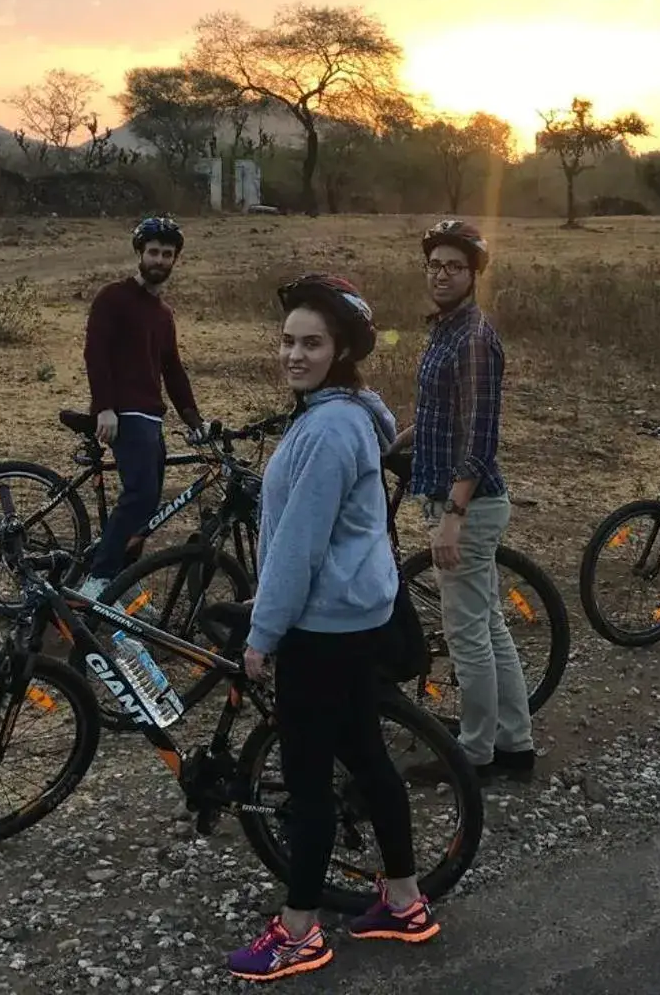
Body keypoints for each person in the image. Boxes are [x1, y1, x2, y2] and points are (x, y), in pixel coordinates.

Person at [230, 273, 438, 981]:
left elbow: (298, 544)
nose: (294, 354)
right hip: (358, 615)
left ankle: (298, 933)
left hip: (322, 628)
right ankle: (406, 902)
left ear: (341, 348)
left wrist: (263, 633)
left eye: (311, 343)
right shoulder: (349, 412)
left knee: (309, 781)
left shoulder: (326, 429)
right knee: (369, 758)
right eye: (287, 340)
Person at [398, 218, 534, 782]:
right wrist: (394, 442)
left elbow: (479, 437)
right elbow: (439, 412)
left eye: (455, 266)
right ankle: (514, 742)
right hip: (461, 501)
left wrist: (452, 516)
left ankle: (475, 754)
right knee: (489, 625)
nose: (442, 274)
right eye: (435, 265)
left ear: (474, 274)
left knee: (467, 633)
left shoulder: (474, 337)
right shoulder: (447, 330)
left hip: (468, 507)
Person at [78, 215, 206, 600]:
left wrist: (194, 419)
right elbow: (95, 353)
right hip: (125, 413)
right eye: (153, 252)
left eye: (167, 255)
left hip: (152, 416)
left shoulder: (164, 315)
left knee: (147, 506)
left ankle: (121, 586)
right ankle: (97, 582)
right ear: (140, 253)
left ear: (174, 260)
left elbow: (173, 369)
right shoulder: (113, 298)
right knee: (139, 495)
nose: (160, 260)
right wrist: (104, 407)